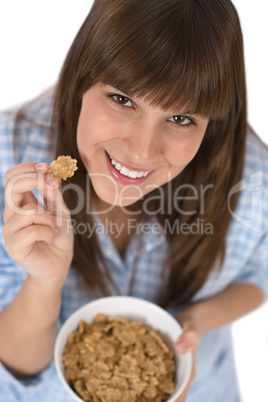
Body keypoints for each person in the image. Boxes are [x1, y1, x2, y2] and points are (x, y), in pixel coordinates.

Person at [0, 0, 268, 401]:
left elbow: (257, 276)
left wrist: (193, 321)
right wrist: (45, 282)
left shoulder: (252, 181)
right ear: (81, 78)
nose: (141, 152)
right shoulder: (11, 155)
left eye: (181, 119)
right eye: (122, 99)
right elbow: (17, 363)